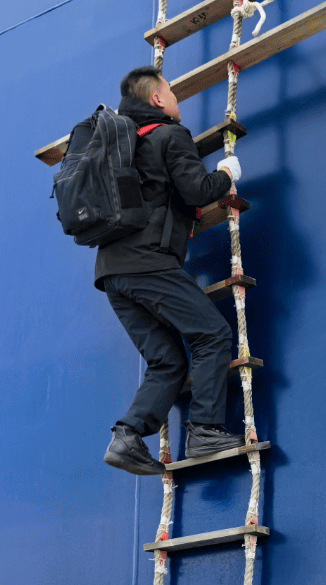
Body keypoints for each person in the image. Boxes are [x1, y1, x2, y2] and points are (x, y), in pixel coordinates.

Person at [99, 66, 247, 476]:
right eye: (172, 92)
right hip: (149, 263)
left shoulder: (121, 149)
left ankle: (127, 436)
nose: (177, 100)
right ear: (158, 100)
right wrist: (225, 173)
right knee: (212, 334)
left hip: (112, 274)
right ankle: (204, 429)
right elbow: (197, 190)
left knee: (167, 360)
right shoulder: (169, 135)